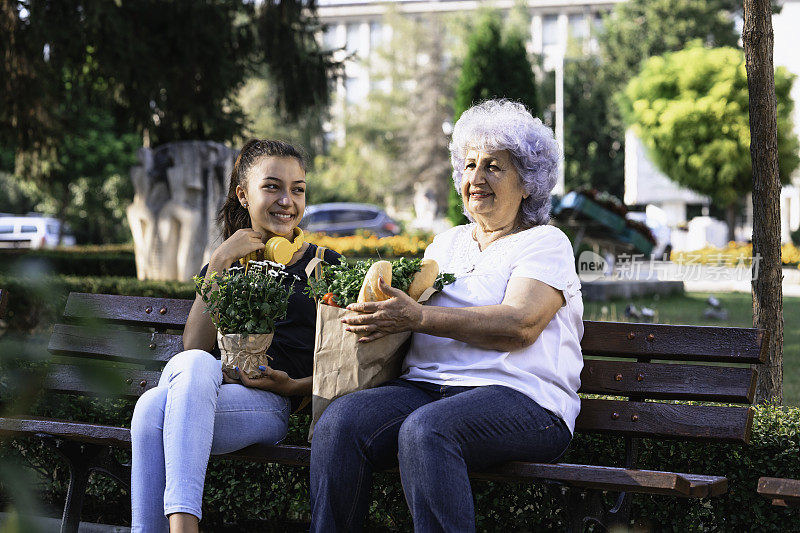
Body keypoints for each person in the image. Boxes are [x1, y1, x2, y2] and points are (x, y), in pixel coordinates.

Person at [310, 100, 584, 533]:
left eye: (494, 166)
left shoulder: (545, 243)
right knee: (340, 423)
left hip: (524, 398)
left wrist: (417, 317)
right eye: (470, 165)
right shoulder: (445, 245)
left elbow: (520, 325)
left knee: (426, 432)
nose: (476, 177)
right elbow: (405, 317)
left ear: (527, 182)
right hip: (427, 389)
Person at [130, 139, 339, 533]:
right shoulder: (225, 260)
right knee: (163, 397)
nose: (287, 201)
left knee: (151, 410)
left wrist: (293, 386)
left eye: (298, 189)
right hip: (209, 395)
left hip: (269, 407)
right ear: (243, 195)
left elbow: (350, 366)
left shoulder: (325, 265)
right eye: (272, 186)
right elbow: (193, 347)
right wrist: (222, 260)